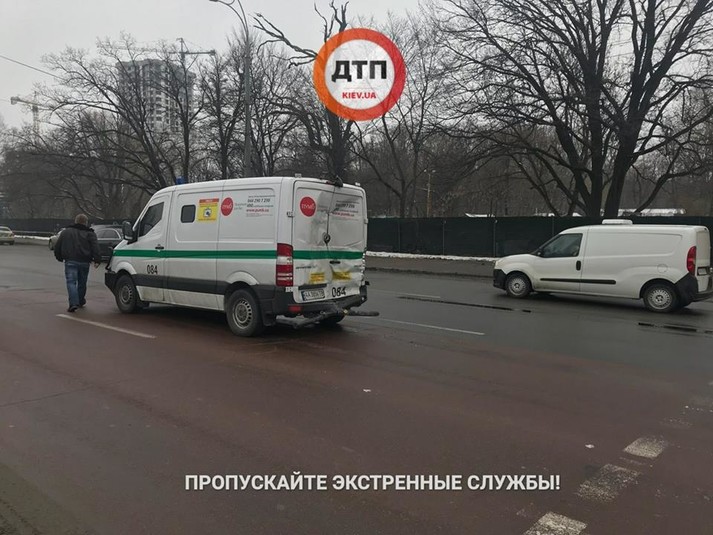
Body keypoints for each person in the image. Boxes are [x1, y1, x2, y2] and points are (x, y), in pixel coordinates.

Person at [53, 214, 102, 312]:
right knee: (82, 282)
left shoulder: (66, 232)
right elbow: (95, 247)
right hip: (84, 262)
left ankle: (73, 303)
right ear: (86, 222)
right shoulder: (90, 233)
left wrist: (59, 257)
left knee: (71, 282)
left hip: (70, 260)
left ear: (75, 221)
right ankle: (80, 300)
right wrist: (97, 260)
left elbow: (57, 246)